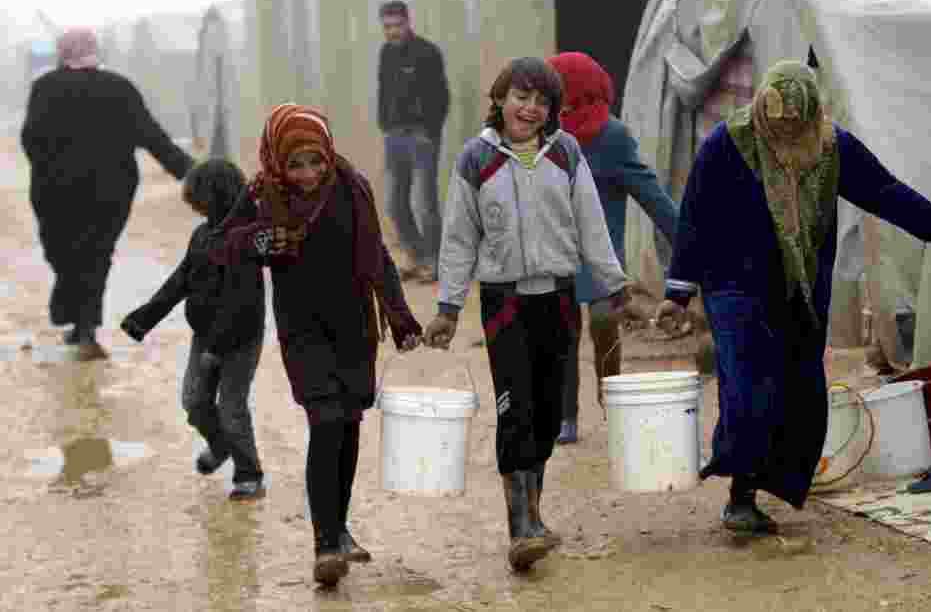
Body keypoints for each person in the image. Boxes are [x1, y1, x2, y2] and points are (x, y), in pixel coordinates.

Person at [655, 60, 931, 533]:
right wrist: (677, 294)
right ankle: (740, 496)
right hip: (734, 284)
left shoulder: (831, 147)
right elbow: (695, 217)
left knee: (800, 393)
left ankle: (776, 482)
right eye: (777, 125)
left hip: (799, 287)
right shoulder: (728, 145)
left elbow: (883, 190)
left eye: (796, 125)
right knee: (748, 386)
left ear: (812, 117)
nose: (786, 135)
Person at [423, 57, 629, 572]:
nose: (531, 108)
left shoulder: (566, 153)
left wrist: (614, 283)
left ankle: (533, 511)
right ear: (500, 98)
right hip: (505, 301)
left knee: (544, 414)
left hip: (557, 298)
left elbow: (591, 221)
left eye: (542, 101)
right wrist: (449, 306)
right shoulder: (476, 158)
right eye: (521, 96)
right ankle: (520, 527)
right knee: (514, 408)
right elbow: (458, 237)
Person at [207, 104, 422, 587]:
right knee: (325, 421)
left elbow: (377, 256)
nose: (307, 174)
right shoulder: (262, 195)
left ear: (328, 155)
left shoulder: (352, 189)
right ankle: (324, 543)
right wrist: (264, 240)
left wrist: (401, 316)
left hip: (354, 327)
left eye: (315, 161)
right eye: (295, 164)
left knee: (348, 423)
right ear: (278, 162)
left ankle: (340, 529)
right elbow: (219, 246)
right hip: (302, 330)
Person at [20, 27, 195, 356]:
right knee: (95, 256)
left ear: (61, 54)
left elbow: (30, 141)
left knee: (64, 253)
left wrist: (51, 167)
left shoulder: (45, 89)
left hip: (56, 193)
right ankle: (81, 324)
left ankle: (82, 324)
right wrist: (191, 171)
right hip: (111, 192)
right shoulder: (119, 88)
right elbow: (153, 137)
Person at [547, 52, 679, 444]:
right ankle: (566, 416)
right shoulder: (545, 137)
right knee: (563, 330)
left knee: (604, 322)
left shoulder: (613, 137)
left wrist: (691, 245)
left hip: (602, 253)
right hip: (557, 251)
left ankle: (612, 395)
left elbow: (653, 196)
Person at [121, 158, 267, 501]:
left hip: (239, 339)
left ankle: (250, 475)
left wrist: (217, 350)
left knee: (232, 408)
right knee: (194, 401)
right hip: (204, 336)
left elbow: (241, 301)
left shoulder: (245, 239)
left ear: (216, 196)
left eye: (197, 198)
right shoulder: (201, 235)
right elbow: (181, 280)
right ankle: (220, 446)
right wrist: (143, 319)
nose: (193, 205)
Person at [377, 0, 450, 281]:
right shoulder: (386, 54)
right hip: (394, 136)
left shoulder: (427, 53)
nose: (393, 32)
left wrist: (429, 131)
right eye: (387, 27)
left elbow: (442, 97)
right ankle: (416, 256)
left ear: (408, 22)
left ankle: (434, 262)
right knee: (395, 203)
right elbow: (383, 91)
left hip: (422, 137)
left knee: (425, 204)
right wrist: (384, 124)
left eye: (397, 25)